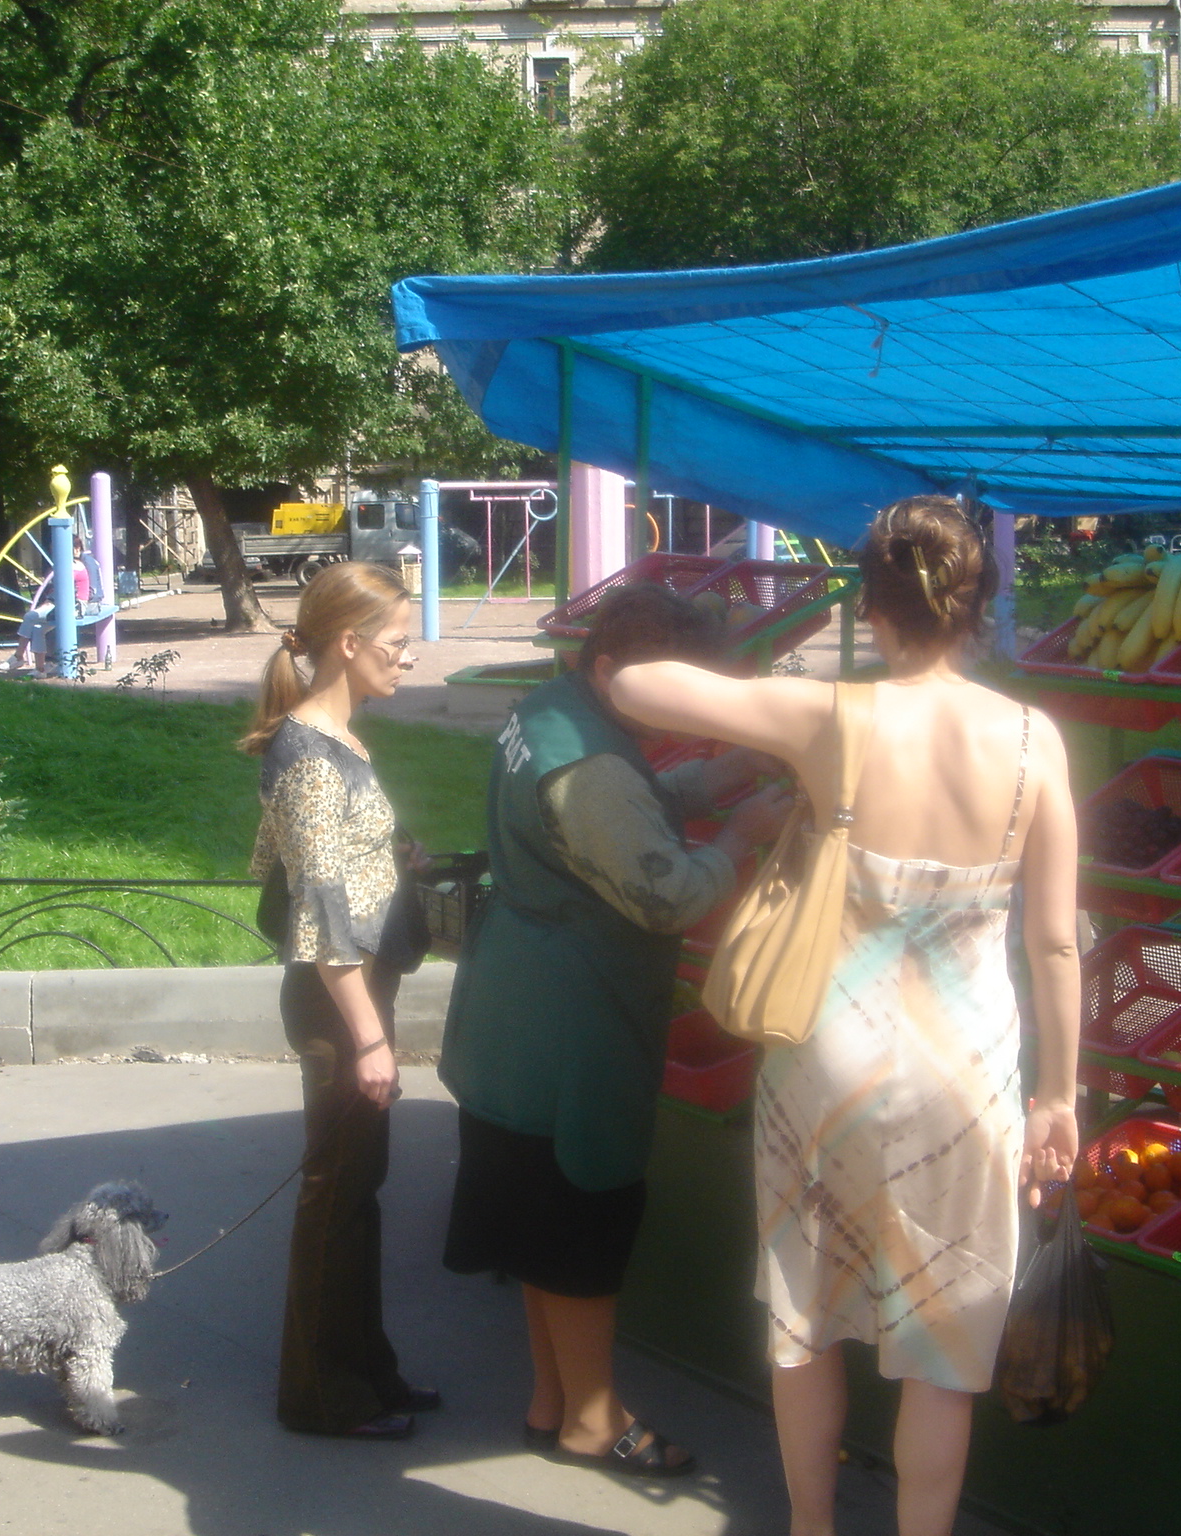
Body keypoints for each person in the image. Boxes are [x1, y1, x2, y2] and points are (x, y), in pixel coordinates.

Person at [608, 498, 1081, 1536]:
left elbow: (632, 683)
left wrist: (748, 671)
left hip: (826, 1063)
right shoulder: (1033, 741)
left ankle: (811, 1527)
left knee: (806, 1322)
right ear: (977, 604)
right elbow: (1054, 944)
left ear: (871, 605)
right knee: (942, 1350)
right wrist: (1058, 1097)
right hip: (965, 1072)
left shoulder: (829, 716)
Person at [441, 584, 793, 1479]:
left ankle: (552, 1403)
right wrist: (740, 836)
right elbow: (665, 894)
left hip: (514, 1015)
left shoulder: (553, 707)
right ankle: (595, 1422)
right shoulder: (589, 767)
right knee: (579, 1223)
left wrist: (707, 780)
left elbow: (611, 816)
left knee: (535, 1219)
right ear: (612, 670)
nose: (685, 707)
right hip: (572, 1022)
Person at [244, 561, 436, 1441]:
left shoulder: (333, 739)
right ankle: (322, 1396)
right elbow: (318, 910)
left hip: (353, 991)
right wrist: (368, 1040)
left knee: (359, 1193)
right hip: (339, 1004)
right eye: (399, 642)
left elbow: (285, 861)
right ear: (350, 644)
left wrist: (390, 858)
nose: (411, 656)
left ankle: (369, 1372)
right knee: (335, 1199)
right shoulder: (312, 757)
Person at [10, 532, 93, 672]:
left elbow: (65, 591)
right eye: (75, 546)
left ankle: (18, 656)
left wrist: (49, 602)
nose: (78, 549)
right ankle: (40, 669)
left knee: (30, 616)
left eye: (78, 546)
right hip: (62, 603)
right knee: (37, 629)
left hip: (74, 606)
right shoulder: (67, 565)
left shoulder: (72, 566)